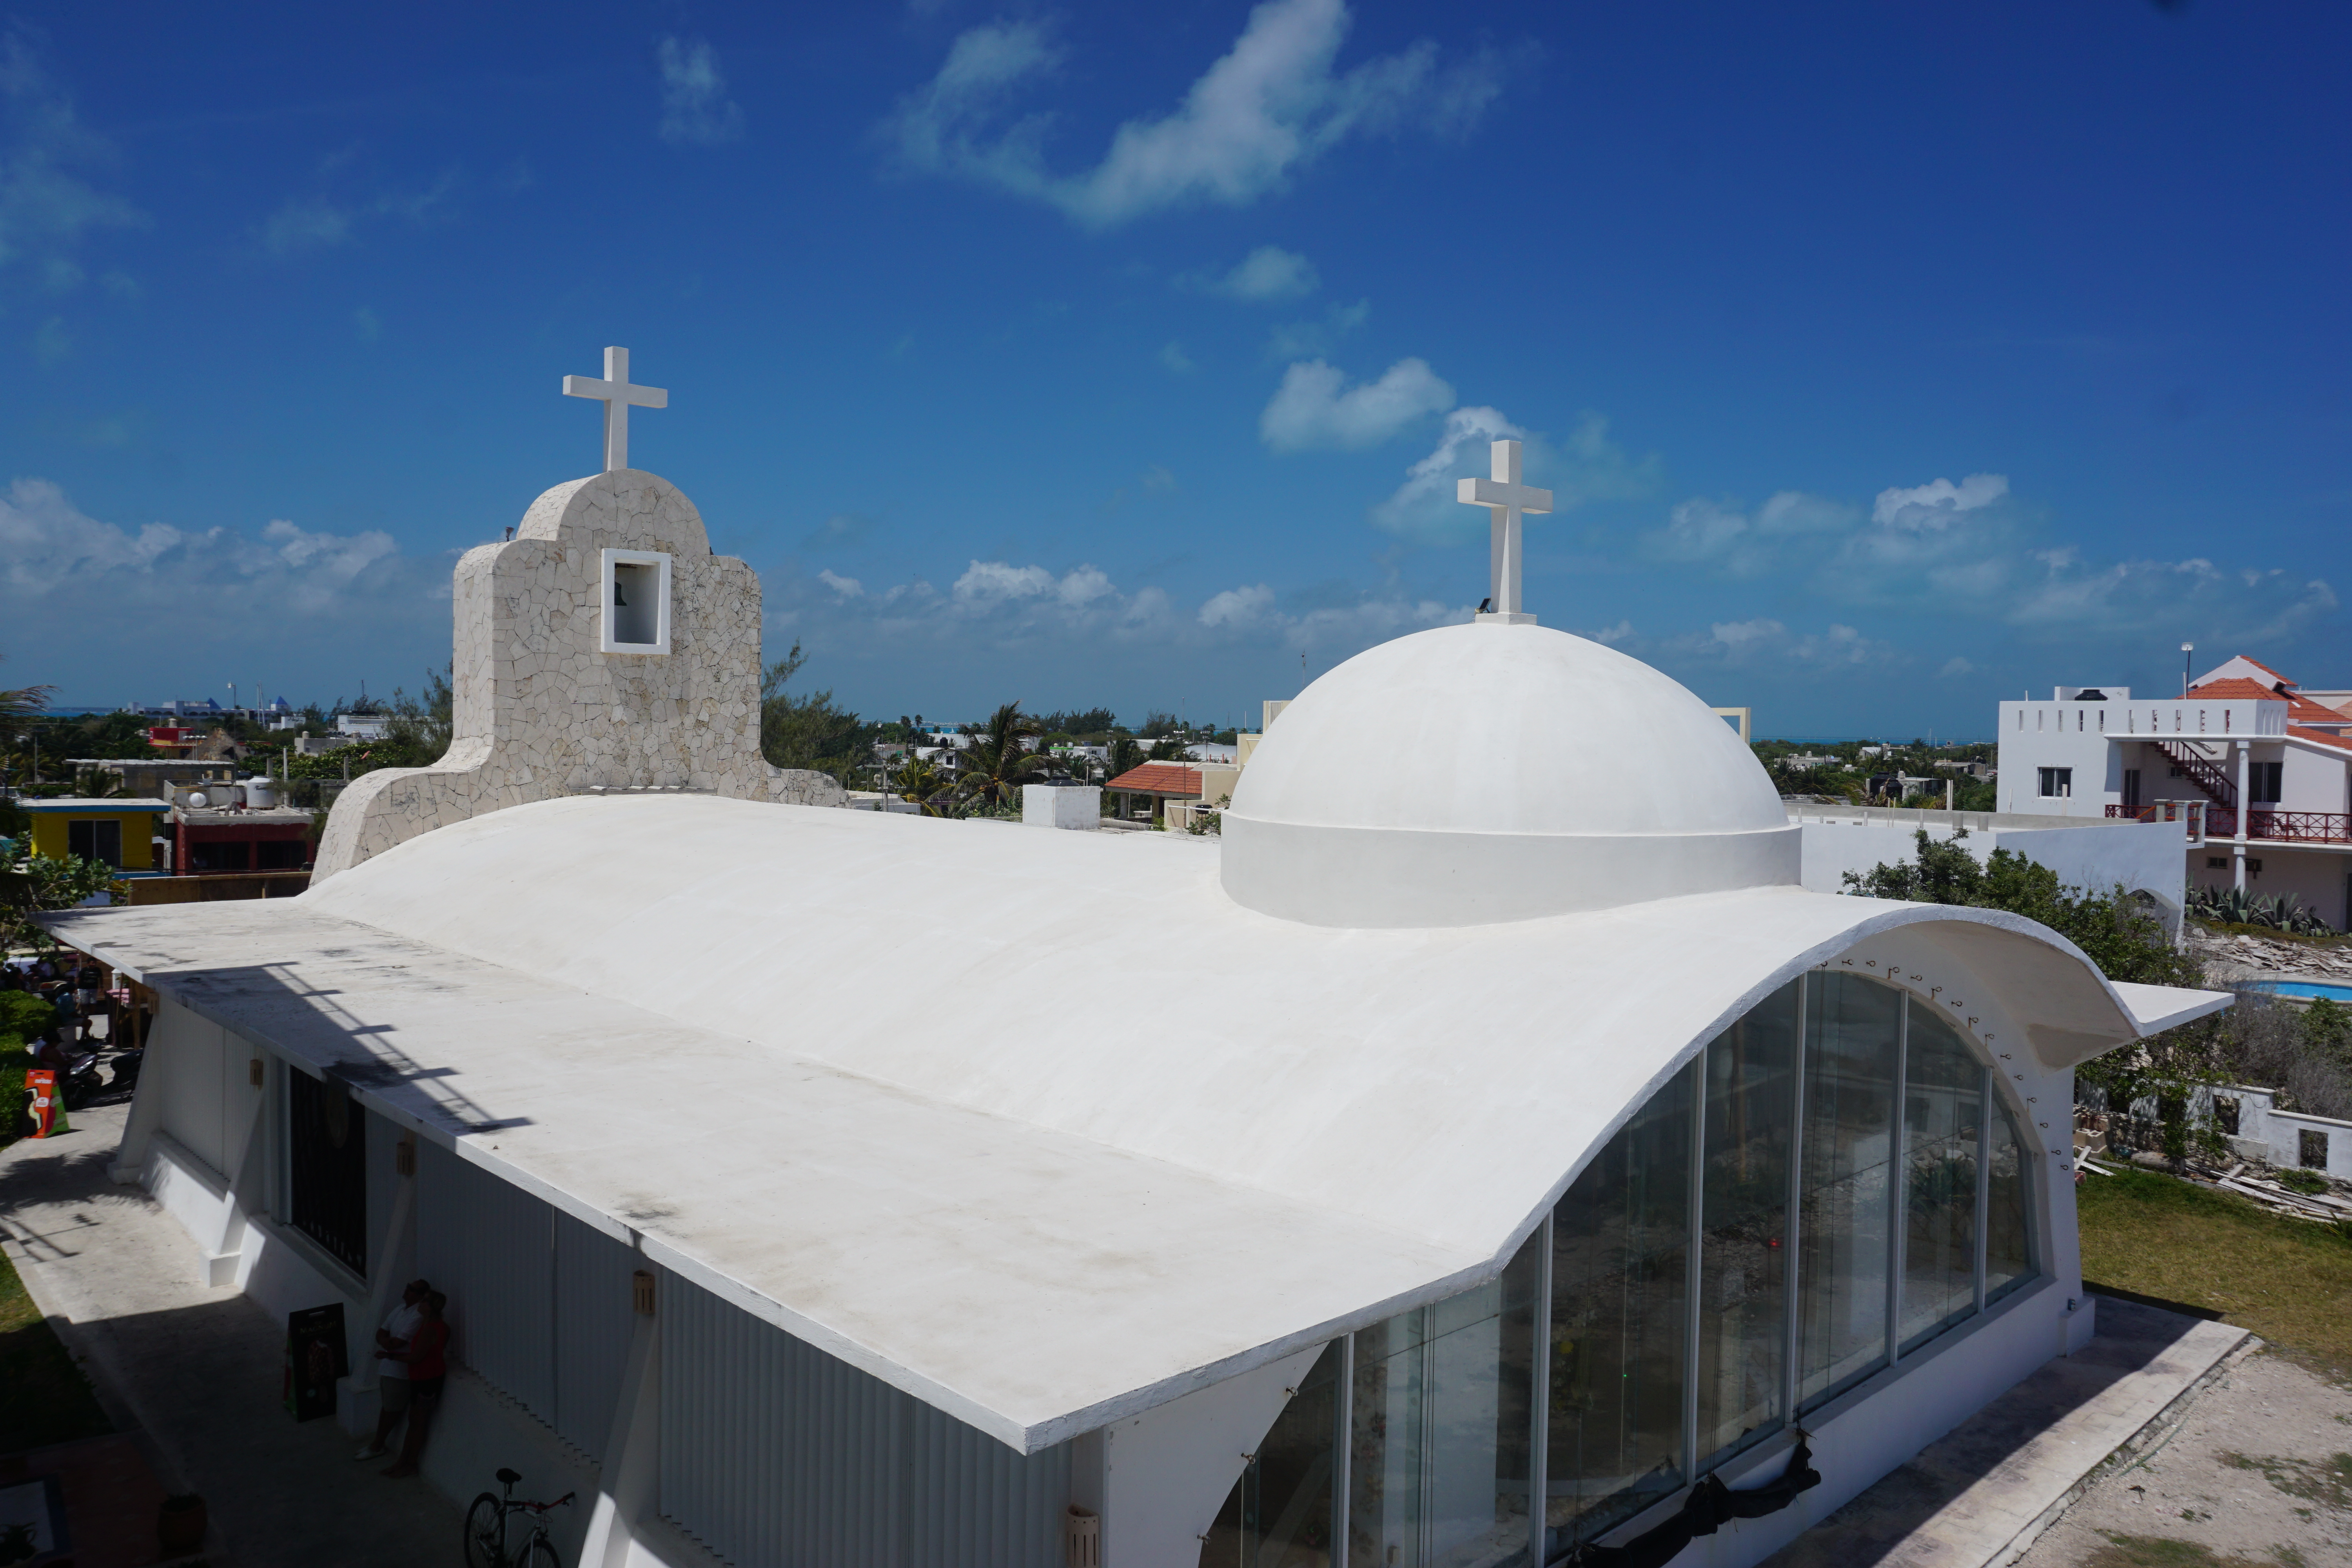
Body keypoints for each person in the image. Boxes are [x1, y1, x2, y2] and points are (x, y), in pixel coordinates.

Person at [356, 1278, 429, 1461]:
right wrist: (387, 1342)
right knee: (387, 1409)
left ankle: (377, 1445)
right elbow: (381, 1333)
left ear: (420, 1296)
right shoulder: (399, 1309)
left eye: (412, 1290)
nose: (407, 1291)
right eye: (408, 1287)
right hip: (388, 1368)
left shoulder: (417, 1316)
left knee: (391, 1410)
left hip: (400, 1372)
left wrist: (387, 1343)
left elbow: (397, 1342)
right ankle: (377, 1444)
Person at [383, 1290, 448, 1479]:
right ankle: (404, 1461)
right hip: (426, 1379)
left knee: (418, 1423)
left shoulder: (429, 1329)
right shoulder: (438, 1326)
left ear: (431, 1306)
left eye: (425, 1301)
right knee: (415, 1422)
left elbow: (416, 1357)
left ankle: (410, 1464)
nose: (421, 1302)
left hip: (426, 1381)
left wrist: (391, 1356)